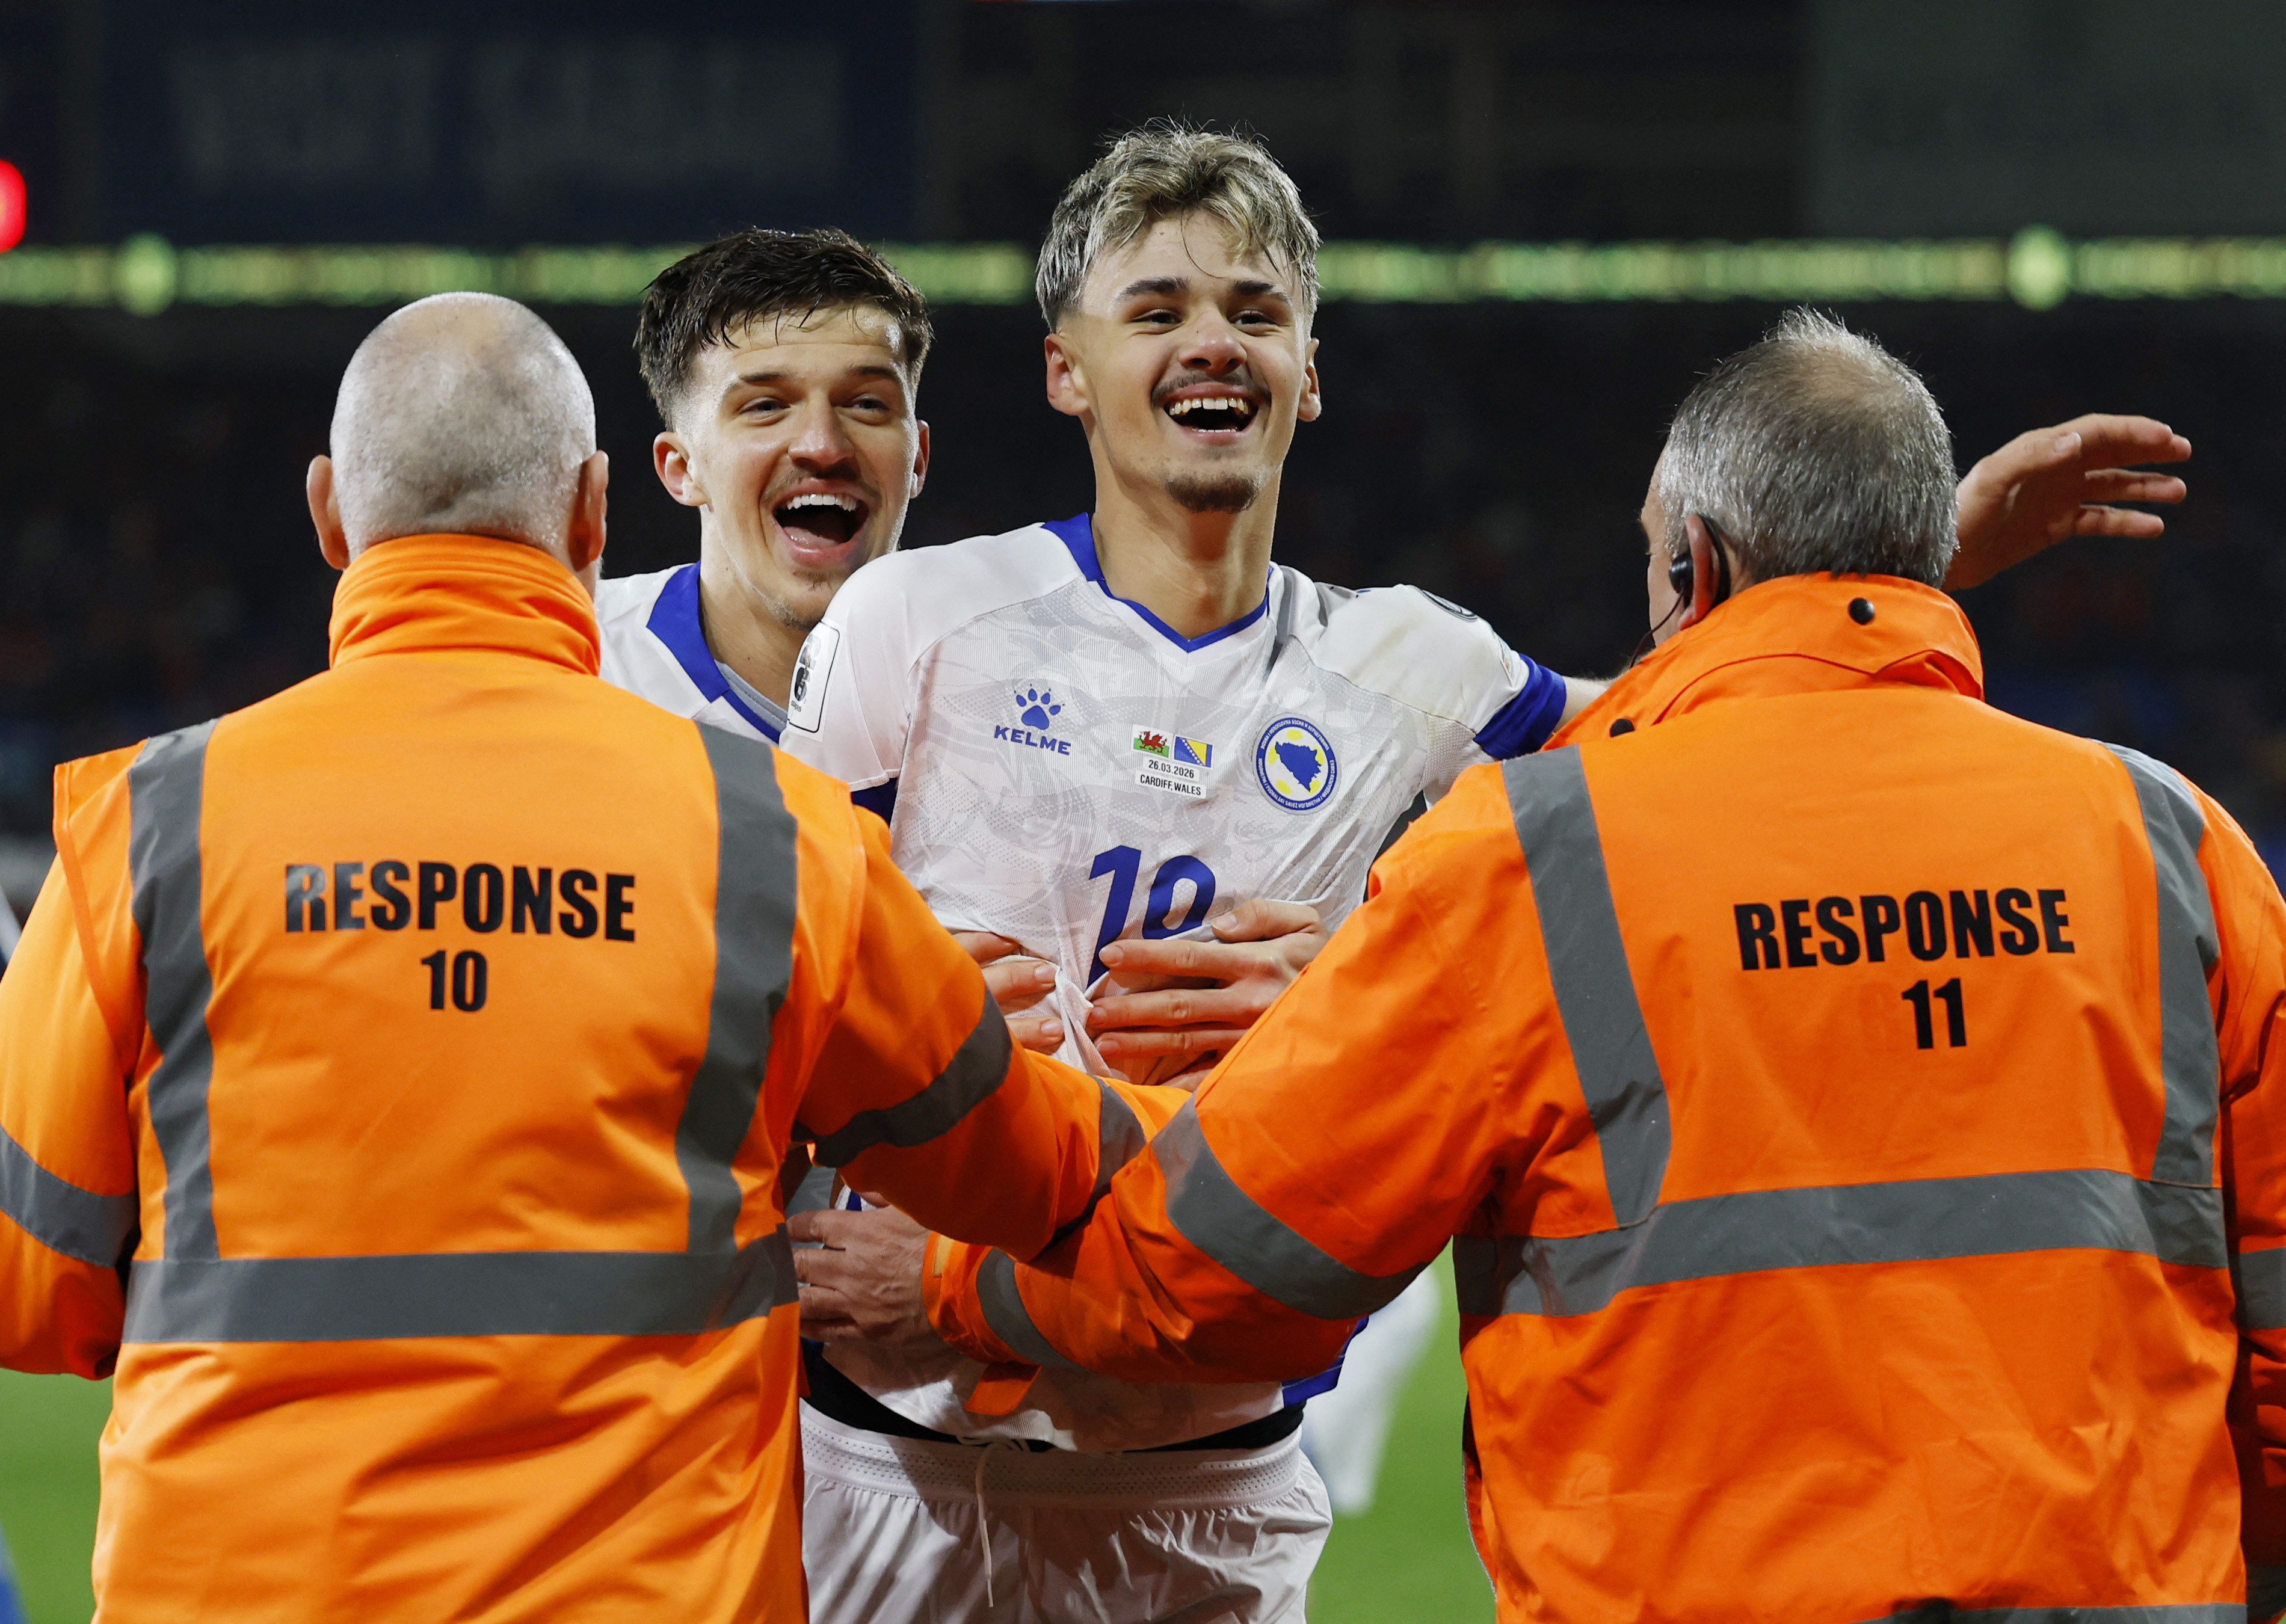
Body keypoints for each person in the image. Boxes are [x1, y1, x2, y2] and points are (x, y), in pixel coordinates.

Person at [779, 126, 2198, 1622]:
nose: (1214, 342)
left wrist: (1921, 547)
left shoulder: (1418, 660)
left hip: (1208, 1468)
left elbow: (1708, 727)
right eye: (1158, 309)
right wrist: (907, 1009)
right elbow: (766, 957)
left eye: (1255, 312)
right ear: (1065, 366)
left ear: (1309, 372)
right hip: (899, 1446)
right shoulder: (913, 621)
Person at [0, 292, 1118, 1623]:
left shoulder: (142, 829)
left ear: (329, 515)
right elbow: (1039, 1178)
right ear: (594, 511)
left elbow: (33, 1293)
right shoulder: (778, 839)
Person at [597, 227, 932, 748]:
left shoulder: (1016, 685)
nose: (824, 446)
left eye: (866, 403)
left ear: (918, 460)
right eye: (766, 407)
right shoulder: (576, 668)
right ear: (682, 469)